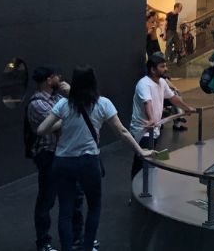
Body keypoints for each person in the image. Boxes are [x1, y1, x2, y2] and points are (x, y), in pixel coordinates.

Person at [37, 66, 151, 251]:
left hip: (63, 162)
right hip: (88, 162)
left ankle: (67, 248)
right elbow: (122, 131)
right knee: (94, 207)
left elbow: (42, 130)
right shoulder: (103, 103)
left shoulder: (63, 104)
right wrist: (140, 151)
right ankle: (88, 246)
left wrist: (63, 121)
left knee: (65, 209)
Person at [27, 66, 83, 251]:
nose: (60, 77)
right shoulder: (37, 103)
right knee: (47, 200)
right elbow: (54, 126)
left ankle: (76, 238)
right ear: (49, 80)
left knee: (75, 196)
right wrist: (69, 115)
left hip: (65, 153)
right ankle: (43, 242)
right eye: (56, 76)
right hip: (48, 155)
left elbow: (78, 111)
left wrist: (72, 95)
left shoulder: (58, 98)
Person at [130, 53, 195, 180]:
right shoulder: (144, 84)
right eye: (162, 66)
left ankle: (148, 186)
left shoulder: (162, 82)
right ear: (153, 70)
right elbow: (147, 102)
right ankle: (135, 195)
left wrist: (187, 108)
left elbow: (173, 98)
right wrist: (151, 119)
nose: (166, 69)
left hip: (154, 129)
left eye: (165, 66)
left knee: (152, 159)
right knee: (140, 163)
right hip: (143, 131)